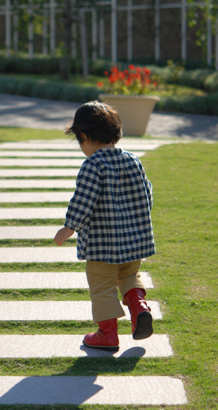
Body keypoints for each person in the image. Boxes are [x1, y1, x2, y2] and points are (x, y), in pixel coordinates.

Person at [54, 101, 155, 353]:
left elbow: (83, 200)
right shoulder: (132, 160)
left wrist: (69, 227)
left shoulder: (93, 165)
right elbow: (147, 193)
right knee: (129, 276)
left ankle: (107, 334)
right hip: (133, 243)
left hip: (102, 245)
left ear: (85, 137)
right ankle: (139, 306)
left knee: (102, 287)